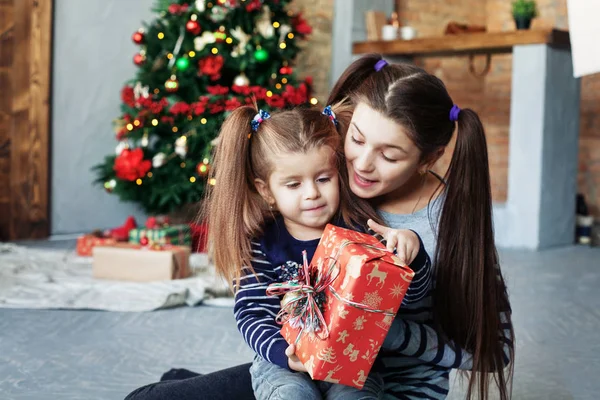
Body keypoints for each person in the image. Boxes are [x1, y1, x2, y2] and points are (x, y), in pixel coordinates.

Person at [125, 54, 514, 400]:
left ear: (428, 159)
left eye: (389, 155)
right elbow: (282, 179)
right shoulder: (328, 182)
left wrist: (377, 328)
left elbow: (496, 353)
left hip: (383, 385)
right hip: (303, 367)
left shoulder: (449, 226)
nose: (361, 164)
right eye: (356, 139)